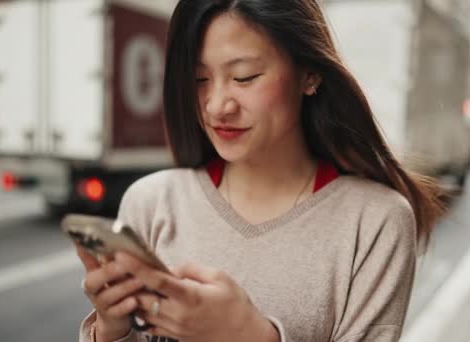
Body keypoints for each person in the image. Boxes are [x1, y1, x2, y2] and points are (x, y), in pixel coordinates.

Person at [76, 0, 445, 341]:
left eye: (244, 76)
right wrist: (111, 327)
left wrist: (249, 333)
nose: (217, 105)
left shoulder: (375, 221)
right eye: (200, 80)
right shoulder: (151, 202)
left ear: (310, 75)